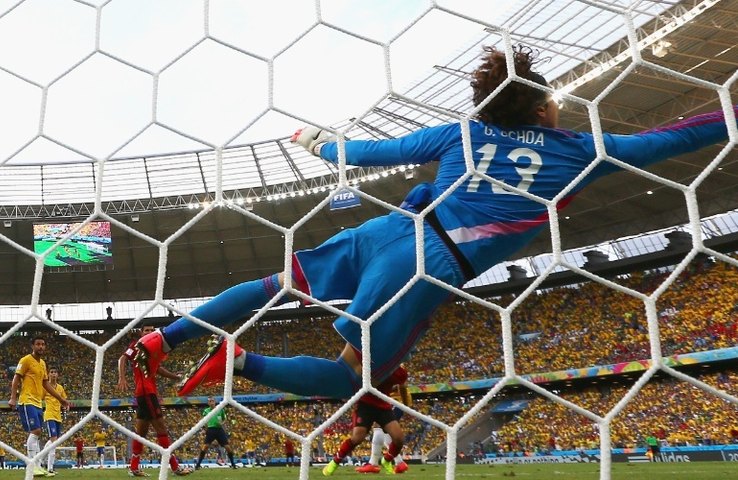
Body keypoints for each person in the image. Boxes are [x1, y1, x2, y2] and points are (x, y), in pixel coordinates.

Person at [128, 44, 738, 402]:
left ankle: (162, 340)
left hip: (387, 231)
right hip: (428, 264)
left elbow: (368, 154)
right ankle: (240, 364)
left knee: (272, 284)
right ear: (543, 105)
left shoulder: (465, 133)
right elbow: (671, 137)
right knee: (352, 381)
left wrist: (316, 143)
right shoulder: (579, 151)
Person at [118, 324, 193, 477]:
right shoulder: (137, 346)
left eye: (152, 330)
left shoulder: (153, 349)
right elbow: (122, 358)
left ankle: (133, 467)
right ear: (141, 333)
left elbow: (157, 369)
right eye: (147, 330)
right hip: (147, 393)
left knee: (141, 432)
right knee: (161, 429)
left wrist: (176, 377)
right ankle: (174, 466)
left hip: (145, 393)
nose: (150, 332)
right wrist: (122, 377)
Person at [323, 366, 408, 476]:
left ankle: (386, 460)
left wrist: (406, 406)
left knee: (399, 438)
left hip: (384, 407)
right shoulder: (372, 364)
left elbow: (403, 387)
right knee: (357, 438)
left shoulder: (398, 371)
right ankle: (335, 462)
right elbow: (354, 376)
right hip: (365, 405)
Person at [9, 336, 71, 478]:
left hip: (38, 402)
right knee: (36, 431)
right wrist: (13, 397)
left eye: (43, 344)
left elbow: (46, 384)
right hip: (26, 400)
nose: (41, 347)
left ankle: (37, 466)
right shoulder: (25, 360)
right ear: (32, 346)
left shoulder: (43, 364)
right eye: (38, 344)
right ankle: (32, 465)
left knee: (37, 433)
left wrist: (62, 399)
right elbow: (16, 378)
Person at [357, 379, 412, 474]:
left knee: (379, 427)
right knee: (386, 433)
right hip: (394, 402)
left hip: (393, 402)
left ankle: (373, 464)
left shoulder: (389, 369)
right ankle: (400, 463)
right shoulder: (389, 368)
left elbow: (401, 385)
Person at [194, 396, 237, 470]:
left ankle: (233, 464)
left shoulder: (220, 409)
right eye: (210, 401)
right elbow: (203, 420)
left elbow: (224, 419)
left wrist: (222, 423)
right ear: (208, 403)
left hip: (219, 430)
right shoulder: (206, 411)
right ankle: (198, 465)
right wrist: (204, 429)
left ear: (215, 402)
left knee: (228, 447)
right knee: (205, 447)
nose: (211, 402)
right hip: (210, 429)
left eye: (212, 401)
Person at [42, 366, 67, 475]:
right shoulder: (45, 387)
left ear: (58, 375)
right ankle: (50, 468)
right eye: (51, 372)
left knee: (53, 441)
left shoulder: (60, 388)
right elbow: (40, 397)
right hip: (49, 415)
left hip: (58, 417)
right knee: (53, 441)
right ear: (48, 374)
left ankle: (40, 459)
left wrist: (66, 405)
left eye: (55, 372)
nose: (53, 374)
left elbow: (64, 400)